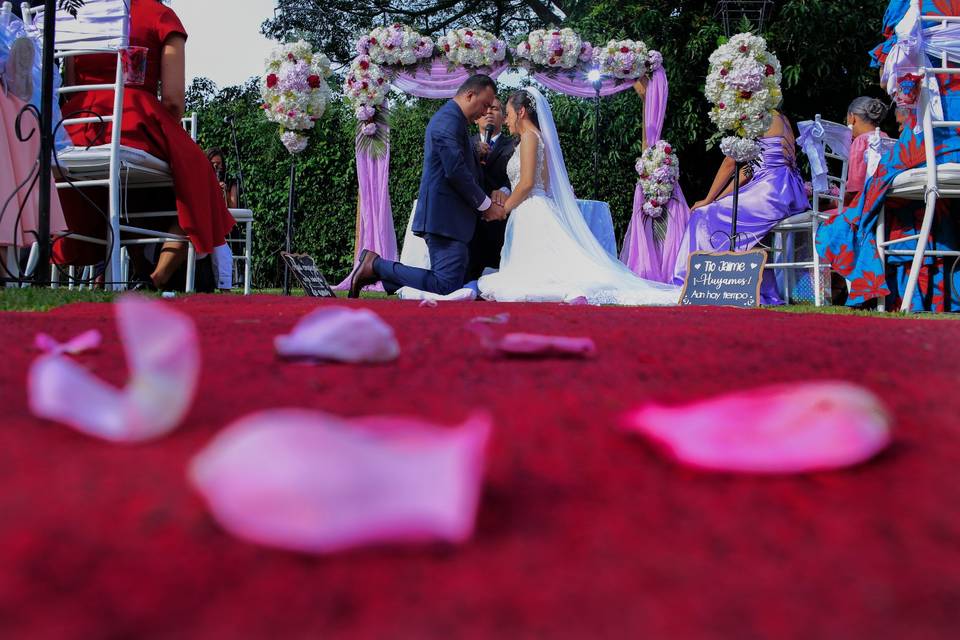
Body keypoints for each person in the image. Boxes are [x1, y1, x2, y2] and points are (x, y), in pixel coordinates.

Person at [53, 0, 234, 290]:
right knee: (202, 183)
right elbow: (174, 102)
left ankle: (135, 269)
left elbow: (72, 83)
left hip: (72, 129)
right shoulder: (160, 15)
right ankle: (156, 276)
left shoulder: (81, 14)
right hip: (134, 121)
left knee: (135, 192)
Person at [816, 0, 960, 312]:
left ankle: (901, 281)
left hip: (938, 143)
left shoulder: (913, 7)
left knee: (877, 193)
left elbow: (891, 82)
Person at [474, 88, 679, 305]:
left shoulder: (529, 138)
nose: (506, 120)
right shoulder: (536, 137)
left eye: (508, 113)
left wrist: (503, 210)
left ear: (521, 111)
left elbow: (527, 183)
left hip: (530, 209)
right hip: (533, 207)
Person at [348, 74, 506, 297]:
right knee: (447, 285)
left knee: (453, 281)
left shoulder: (456, 121)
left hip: (451, 219)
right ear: (470, 95)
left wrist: (473, 150)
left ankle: (381, 272)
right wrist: (486, 205)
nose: (486, 112)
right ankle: (376, 266)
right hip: (445, 218)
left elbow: (452, 159)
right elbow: (455, 171)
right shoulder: (447, 121)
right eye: (485, 104)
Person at [671, 111, 808, 304]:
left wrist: (707, 199)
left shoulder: (758, 115)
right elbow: (750, 169)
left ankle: (697, 283)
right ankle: (742, 284)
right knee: (716, 208)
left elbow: (730, 162)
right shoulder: (782, 117)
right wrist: (717, 198)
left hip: (770, 192)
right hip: (789, 189)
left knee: (702, 215)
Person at [468, 97, 515, 281]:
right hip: (470, 218)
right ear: (476, 117)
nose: (489, 113)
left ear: (504, 117)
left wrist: (505, 189)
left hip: (500, 217)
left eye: (494, 109)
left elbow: (522, 175)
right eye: (485, 109)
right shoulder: (464, 143)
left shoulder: (515, 143)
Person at [843, 97, 891, 205]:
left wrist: (831, 202)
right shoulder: (887, 138)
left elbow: (856, 192)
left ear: (852, 118)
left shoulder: (861, 141)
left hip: (864, 208)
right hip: (886, 205)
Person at [206, 147, 238, 290]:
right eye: (213, 163)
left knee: (223, 253)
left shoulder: (229, 181)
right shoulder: (203, 178)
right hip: (209, 221)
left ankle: (225, 284)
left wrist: (223, 190)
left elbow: (233, 207)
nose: (216, 167)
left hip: (224, 222)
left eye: (219, 164)